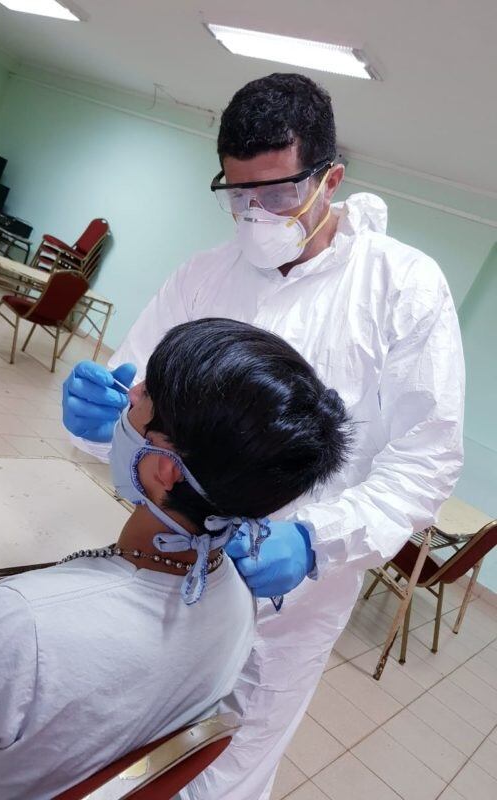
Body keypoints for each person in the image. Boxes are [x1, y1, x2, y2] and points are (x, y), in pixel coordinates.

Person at [62, 73, 465, 799]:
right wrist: (101, 415)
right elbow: (134, 405)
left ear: (329, 178)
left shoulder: (402, 288)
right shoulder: (203, 276)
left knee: (222, 769)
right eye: (238, 194)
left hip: (290, 600)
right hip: (162, 560)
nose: (255, 214)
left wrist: (317, 541)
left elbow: (425, 462)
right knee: (116, 745)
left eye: (277, 193)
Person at [0, 319, 350, 800]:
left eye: (146, 393)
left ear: (163, 468)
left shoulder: (21, 625)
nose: (128, 394)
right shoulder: (239, 602)